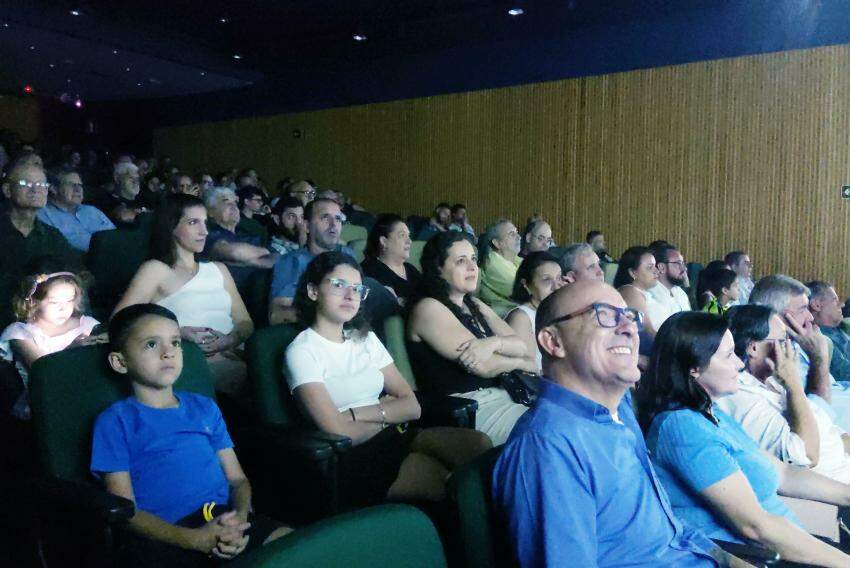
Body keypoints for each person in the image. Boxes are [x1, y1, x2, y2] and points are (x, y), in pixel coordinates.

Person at [494, 281, 743, 568]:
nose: (629, 328)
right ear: (553, 341)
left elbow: (674, 533)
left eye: (629, 316)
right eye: (604, 314)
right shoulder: (547, 447)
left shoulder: (621, 409)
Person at [637, 311, 850, 565]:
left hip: (787, 545)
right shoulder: (682, 427)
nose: (740, 363)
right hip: (759, 557)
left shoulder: (710, 412)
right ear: (694, 368)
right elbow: (756, 528)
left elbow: (784, 474)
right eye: (728, 356)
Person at [91, 304, 290, 566]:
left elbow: (237, 479)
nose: (168, 353)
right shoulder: (115, 421)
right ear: (120, 361)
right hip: (166, 534)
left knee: (295, 546)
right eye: (151, 344)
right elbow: (126, 511)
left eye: (175, 343)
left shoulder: (204, 408)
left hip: (224, 519)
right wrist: (194, 539)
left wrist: (240, 518)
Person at [285, 252, 490, 502]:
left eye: (358, 288)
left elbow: (412, 406)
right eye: (339, 285)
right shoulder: (302, 351)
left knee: (478, 445)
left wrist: (355, 414)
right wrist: (387, 414)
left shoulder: (365, 338)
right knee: (442, 481)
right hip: (355, 455)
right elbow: (337, 431)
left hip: (396, 433)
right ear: (313, 291)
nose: (351, 295)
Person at [114, 195, 253, 400]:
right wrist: (177, 334)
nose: (204, 231)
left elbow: (245, 321)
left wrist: (229, 340)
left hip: (235, 353)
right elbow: (121, 322)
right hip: (194, 362)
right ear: (171, 227)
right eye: (193, 222)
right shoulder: (156, 270)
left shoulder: (218, 269)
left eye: (205, 223)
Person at [406, 231, 536, 445]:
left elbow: (522, 346)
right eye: (460, 261)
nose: (472, 266)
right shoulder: (428, 308)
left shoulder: (475, 305)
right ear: (438, 269)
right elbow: (483, 366)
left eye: (473, 259)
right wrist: (523, 363)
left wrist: (493, 343)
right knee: (549, 434)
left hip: (505, 394)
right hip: (470, 407)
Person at [719, 305, 850, 484]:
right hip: (836, 486)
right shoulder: (741, 396)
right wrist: (793, 384)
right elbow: (805, 456)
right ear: (753, 348)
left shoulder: (773, 381)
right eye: (783, 341)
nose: (793, 348)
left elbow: (832, 432)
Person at [0, 271, 100, 419]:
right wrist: (72, 348)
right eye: (54, 302)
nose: (63, 308)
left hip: (87, 395)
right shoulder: (20, 332)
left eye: (69, 300)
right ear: (33, 301)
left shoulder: (87, 324)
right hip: (47, 404)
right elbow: (44, 372)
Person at [0, 163, 83, 327]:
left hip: (45, 321)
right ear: (7, 190)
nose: (35, 189)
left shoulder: (52, 235)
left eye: (41, 185)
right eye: (26, 184)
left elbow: (75, 273)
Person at [268, 198, 354, 325]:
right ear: (307, 226)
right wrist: (327, 314)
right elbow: (276, 315)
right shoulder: (292, 262)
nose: (334, 224)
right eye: (325, 217)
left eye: (338, 219)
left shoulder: (347, 254)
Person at [202, 187, 277, 290]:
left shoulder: (248, 233)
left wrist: (250, 260)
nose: (233, 206)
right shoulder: (207, 234)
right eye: (226, 201)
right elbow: (235, 252)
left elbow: (277, 258)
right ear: (210, 211)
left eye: (235, 202)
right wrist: (262, 257)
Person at [505, 252, 564, 373]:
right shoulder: (521, 318)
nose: (556, 286)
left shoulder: (557, 313)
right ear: (526, 285)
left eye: (559, 278)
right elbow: (526, 373)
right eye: (547, 280)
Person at [37, 170, 115, 252]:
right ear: (54, 189)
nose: (78, 189)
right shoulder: (43, 215)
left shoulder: (92, 210)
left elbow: (115, 236)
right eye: (71, 184)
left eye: (80, 185)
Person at [361, 214, 421, 307]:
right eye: (402, 235)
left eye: (409, 236)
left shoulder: (411, 269)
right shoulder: (368, 271)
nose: (409, 241)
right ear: (384, 241)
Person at [614, 246, 664, 336]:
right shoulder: (630, 292)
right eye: (650, 267)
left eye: (655, 266)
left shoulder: (645, 292)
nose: (657, 271)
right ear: (633, 272)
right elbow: (647, 331)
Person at [477, 220, 522, 317]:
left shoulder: (514, 259)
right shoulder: (492, 264)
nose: (519, 237)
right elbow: (524, 292)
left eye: (517, 233)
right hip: (504, 319)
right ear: (497, 243)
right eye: (512, 234)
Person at [808, 281, 850, 383]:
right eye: (835, 300)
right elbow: (843, 373)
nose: (842, 304)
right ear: (817, 305)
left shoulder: (839, 329)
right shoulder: (820, 336)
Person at [648, 243, 692, 323]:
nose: (684, 268)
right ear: (661, 267)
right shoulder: (650, 295)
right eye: (678, 263)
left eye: (682, 263)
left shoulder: (681, 293)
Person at [98, 161, 146, 225]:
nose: (135, 182)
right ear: (117, 179)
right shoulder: (108, 201)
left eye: (137, 179)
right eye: (131, 178)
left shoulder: (143, 198)